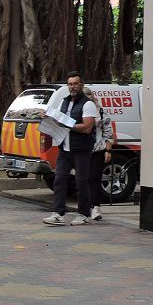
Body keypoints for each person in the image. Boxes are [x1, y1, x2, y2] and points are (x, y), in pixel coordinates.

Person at [43, 72, 96, 226]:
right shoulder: (64, 102)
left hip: (81, 149)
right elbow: (57, 119)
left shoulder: (88, 104)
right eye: (70, 84)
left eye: (75, 83)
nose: (72, 87)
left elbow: (87, 127)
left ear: (82, 85)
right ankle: (58, 213)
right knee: (59, 180)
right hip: (64, 148)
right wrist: (47, 117)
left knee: (81, 182)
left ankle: (84, 214)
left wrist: (67, 124)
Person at [84, 86, 114, 221]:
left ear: (92, 96)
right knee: (83, 179)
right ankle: (85, 207)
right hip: (82, 151)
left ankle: (95, 207)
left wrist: (108, 150)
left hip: (97, 150)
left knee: (94, 179)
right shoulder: (78, 112)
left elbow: (108, 133)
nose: (87, 98)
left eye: (88, 95)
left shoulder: (101, 113)